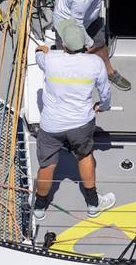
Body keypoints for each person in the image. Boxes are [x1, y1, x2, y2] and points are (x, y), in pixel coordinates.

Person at [32, 19, 115, 220]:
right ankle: (93, 204)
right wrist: (101, 107)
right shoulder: (95, 63)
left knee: (47, 166)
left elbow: (38, 54)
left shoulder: (50, 60)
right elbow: (105, 93)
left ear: (65, 45)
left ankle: (40, 207)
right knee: (85, 156)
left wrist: (42, 49)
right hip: (81, 124)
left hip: (51, 125)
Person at [53, 0, 131, 91]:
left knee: (100, 43)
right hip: (68, 23)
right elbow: (77, 23)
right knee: (70, 57)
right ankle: (72, 88)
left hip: (89, 18)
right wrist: (88, 44)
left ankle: (109, 72)